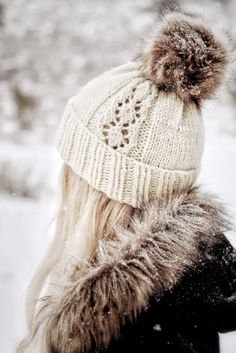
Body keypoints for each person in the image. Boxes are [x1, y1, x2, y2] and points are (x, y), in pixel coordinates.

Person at [17, 11, 236, 353]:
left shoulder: (120, 330)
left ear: (100, 193)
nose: (64, 184)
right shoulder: (174, 302)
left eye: (74, 171)